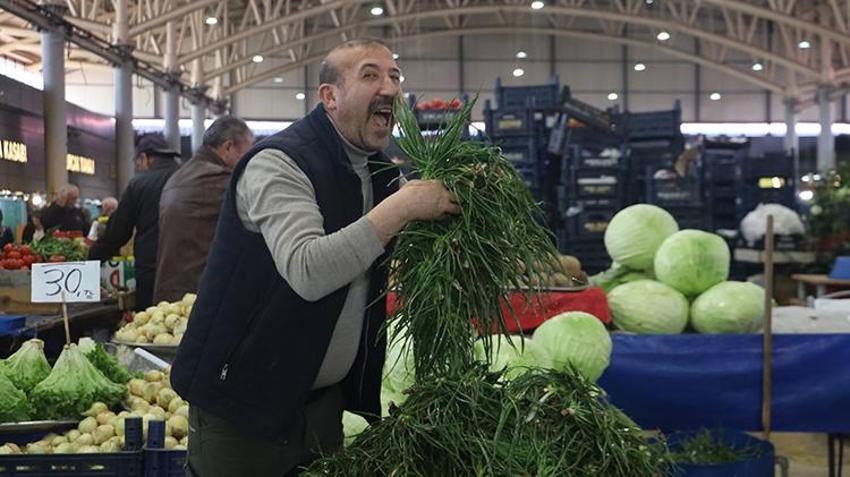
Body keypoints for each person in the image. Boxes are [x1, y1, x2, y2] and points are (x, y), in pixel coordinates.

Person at [170, 39, 459, 476]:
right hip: (244, 405)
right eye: (370, 75)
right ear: (329, 96)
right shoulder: (279, 163)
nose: (389, 88)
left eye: (395, 77)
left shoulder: (378, 172)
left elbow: (378, 250)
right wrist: (404, 207)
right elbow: (308, 269)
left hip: (323, 407)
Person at [153, 116, 254, 303]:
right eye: (248, 152)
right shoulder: (220, 180)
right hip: (194, 296)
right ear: (229, 147)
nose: (249, 161)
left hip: (169, 291)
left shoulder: (180, 176)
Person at [88, 133, 180, 310]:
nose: (139, 167)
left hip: (152, 270)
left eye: (138, 163)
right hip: (190, 269)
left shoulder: (139, 184)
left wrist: (93, 258)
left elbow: (118, 232)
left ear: (144, 158)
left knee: (151, 324)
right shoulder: (189, 178)